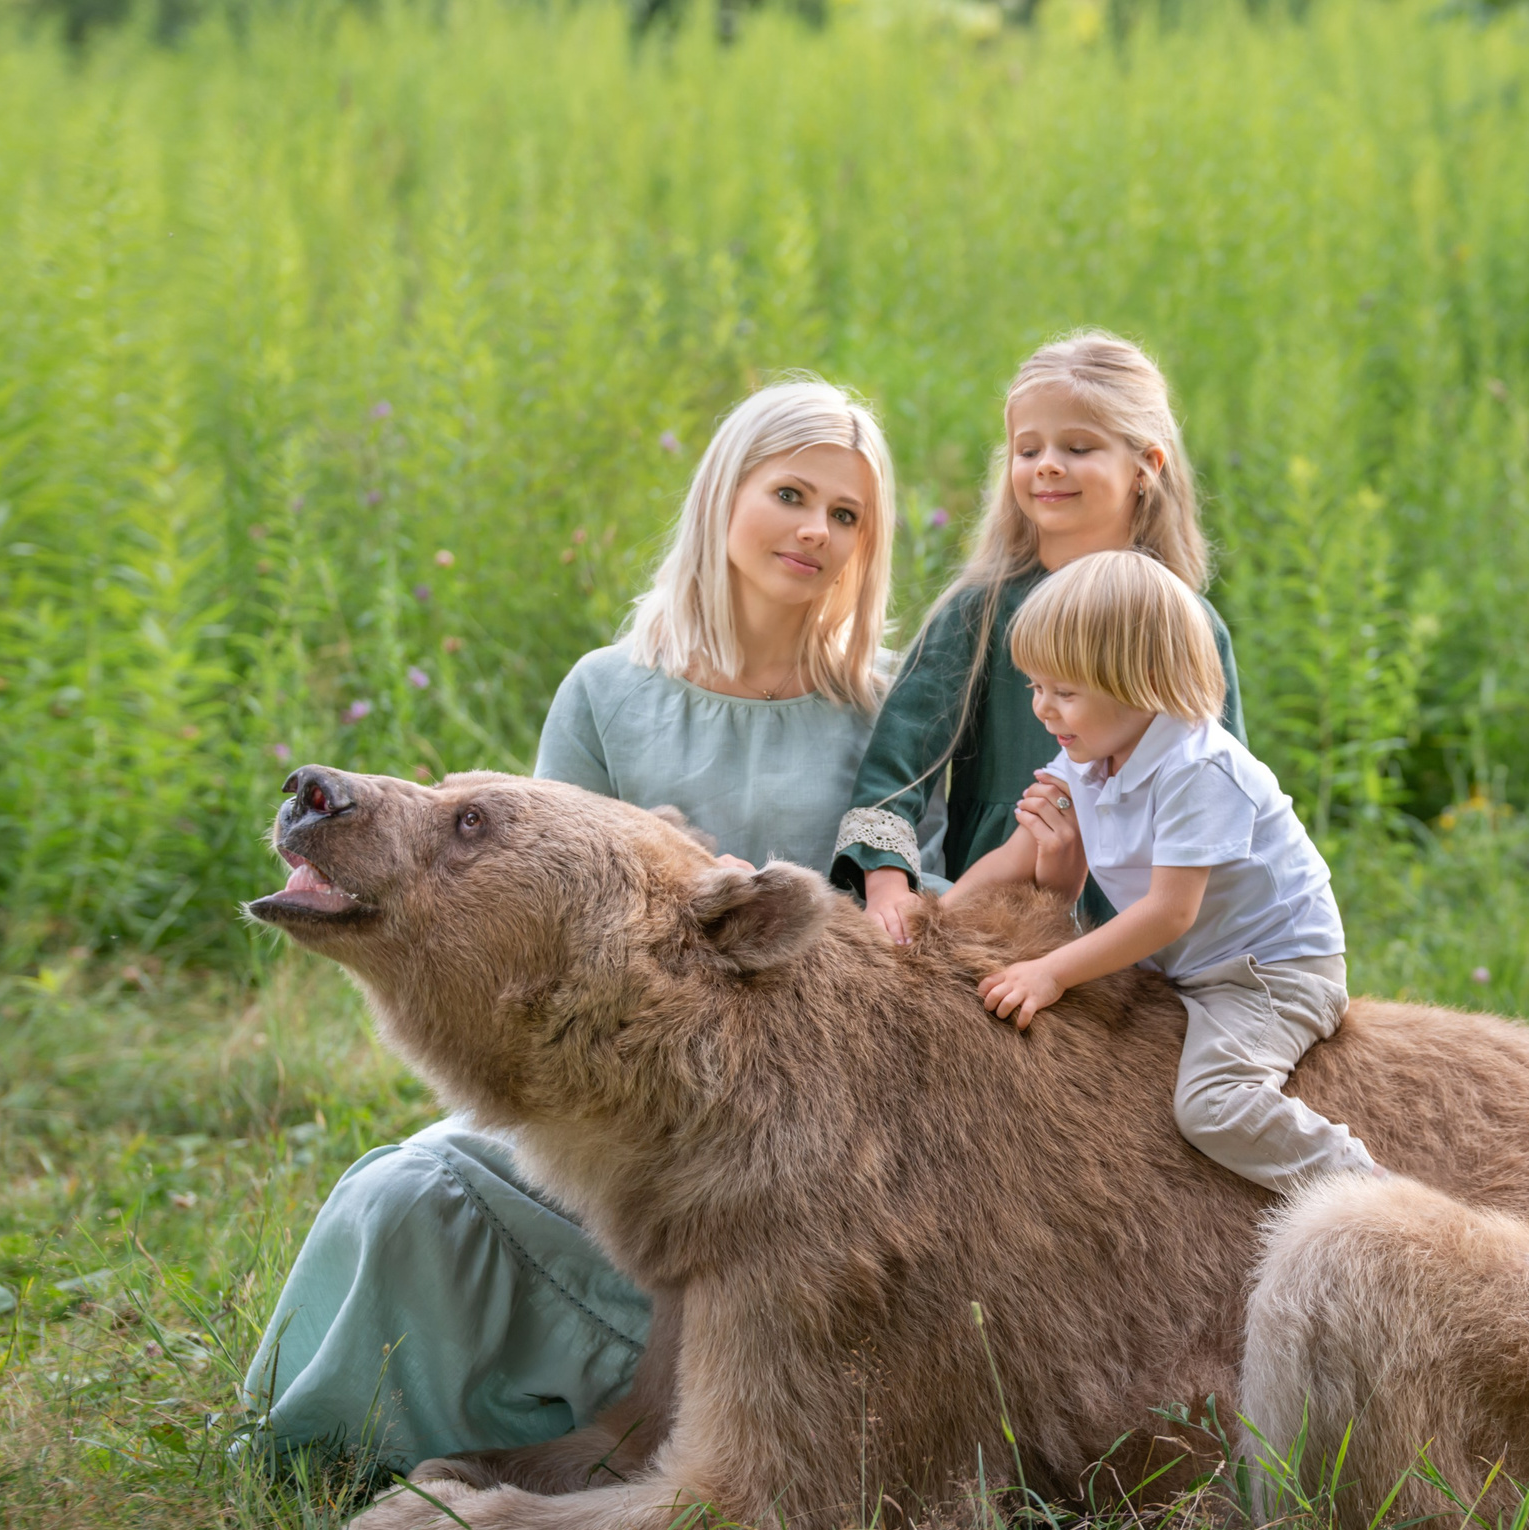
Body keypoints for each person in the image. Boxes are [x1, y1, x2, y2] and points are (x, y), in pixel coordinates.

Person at [243, 377, 905, 1470]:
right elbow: (511, 906)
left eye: (846, 514)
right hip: (606, 1108)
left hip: (801, 1135)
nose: (814, 532)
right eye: (790, 494)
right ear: (722, 496)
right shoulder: (608, 689)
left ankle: (625, 1435)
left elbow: (917, 905)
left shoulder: (891, 711)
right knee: (406, 1192)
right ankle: (330, 1437)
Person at [948, 548, 1382, 1193]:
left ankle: (1367, 1188)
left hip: (1269, 972)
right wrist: (937, 918)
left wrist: (1050, 971)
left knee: (1212, 1106)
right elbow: (1014, 858)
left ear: (1141, 680)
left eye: (1065, 692)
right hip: (1188, 966)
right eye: (1036, 687)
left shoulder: (1197, 767)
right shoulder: (1090, 756)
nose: (1043, 708)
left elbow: (1169, 911)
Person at [831, 331, 1243, 939]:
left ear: (1145, 468)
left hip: (1141, 924)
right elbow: (897, 769)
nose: (1048, 464)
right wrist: (889, 888)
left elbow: (1219, 794)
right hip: (990, 919)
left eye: (1078, 447)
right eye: (1028, 449)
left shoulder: (1187, 624)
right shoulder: (978, 612)